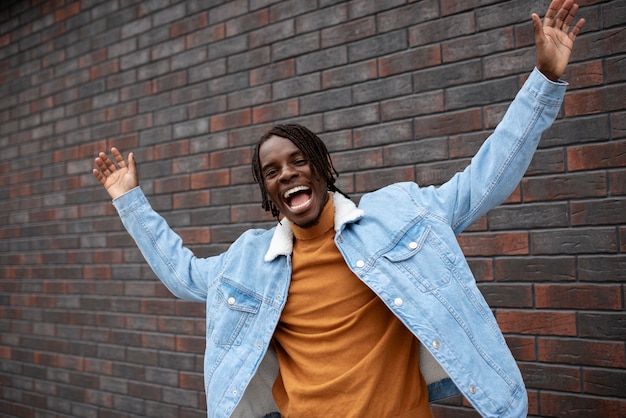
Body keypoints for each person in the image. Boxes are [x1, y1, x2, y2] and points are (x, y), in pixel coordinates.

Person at [92, 1, 585, 417]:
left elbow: (485, 180)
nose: (286, 173)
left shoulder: (399, 216)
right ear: (268, 194)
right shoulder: (249, 264)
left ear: (324, 167)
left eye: (298, 160)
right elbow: (183, 276)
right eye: (271, 171)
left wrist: (543, 80)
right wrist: (128, 200)